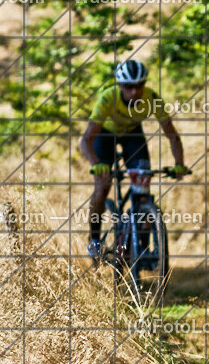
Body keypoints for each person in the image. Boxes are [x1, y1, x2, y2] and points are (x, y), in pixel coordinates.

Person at [80, 59, 188, 260]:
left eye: (139, 85)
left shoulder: (152, 98)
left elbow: (172, 135)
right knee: (103, 185)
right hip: (105, 135)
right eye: (128, 86)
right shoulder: (107, 98)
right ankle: (94, 239)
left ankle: (141, 249)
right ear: (120, 85)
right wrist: (97, 163)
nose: (134, 91)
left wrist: (179, 164)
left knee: (143, 192)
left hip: (132, 135)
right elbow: (86, 140)